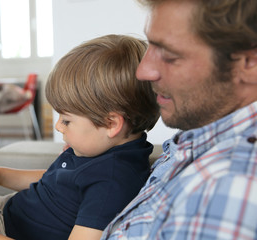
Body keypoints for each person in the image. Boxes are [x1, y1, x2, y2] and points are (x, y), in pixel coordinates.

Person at [0, 34, 160, 240]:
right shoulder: (95, 147)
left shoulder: (112, 182)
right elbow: (53, 179)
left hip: (0, 233)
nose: (59, 126)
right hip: (5, 211)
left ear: (111, 123)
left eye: (67, 119)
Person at [101, 0, 257, 239]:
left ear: (250, 63)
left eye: (170, 56)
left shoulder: (223, 191)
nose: (143, 72)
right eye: (150, 46)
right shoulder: (200, 136)